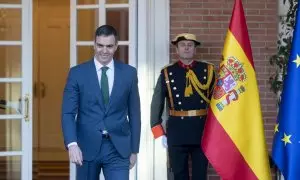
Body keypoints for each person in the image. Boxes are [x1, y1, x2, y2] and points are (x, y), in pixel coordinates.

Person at [61, 25, 141, 180]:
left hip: (118, 148)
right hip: (86, 147)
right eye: (100, 45)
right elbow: (68, 113)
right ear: (94, 44)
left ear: (116, 46)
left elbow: (135, 113)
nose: (104, 51)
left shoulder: (129, 73)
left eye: (109, 46)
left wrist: (134, 149)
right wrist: (72, 144)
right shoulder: (77, 73)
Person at [150, 33, 216, 180]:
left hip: (202, 130)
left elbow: (217, 102)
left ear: (195, 49)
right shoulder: (167, 72)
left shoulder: (209, 70)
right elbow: (157, 103)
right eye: (182, 45)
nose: (186, 48)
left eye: (190, 45)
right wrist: (158, 132)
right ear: (177, 50)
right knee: (179, 175)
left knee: (200, 175)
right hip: (177, 131)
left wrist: (217, 130)